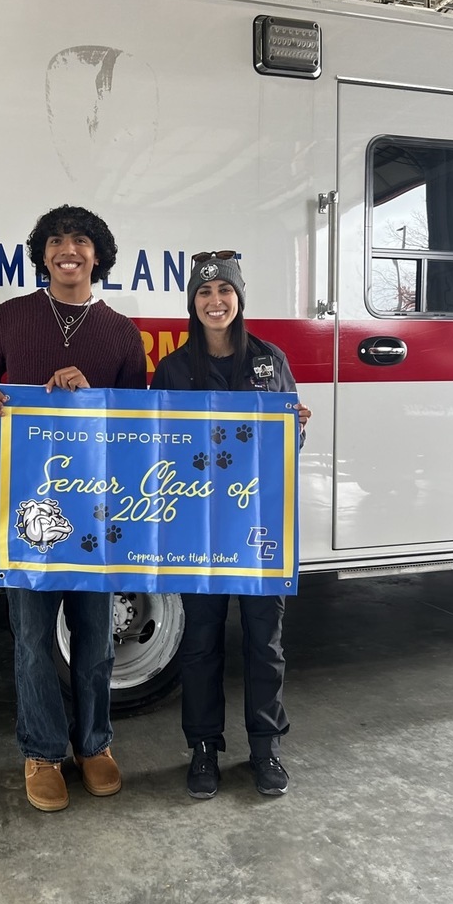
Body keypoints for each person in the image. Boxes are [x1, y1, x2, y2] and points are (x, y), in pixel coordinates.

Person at [0, 205, 147, 812]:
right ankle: (42, 752)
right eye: (58, 242)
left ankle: (94, 745)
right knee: (34, 639)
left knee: (94, 639)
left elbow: (140, 422)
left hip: (98, 509)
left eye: (82, 242)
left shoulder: (120, 331)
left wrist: (94, 399)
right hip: (26, 508)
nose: (70, 251)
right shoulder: (12, 316)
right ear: (43, 254)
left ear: (99, 256)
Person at [149, 251, 311, 800]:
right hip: (198, 527)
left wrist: (297, 427)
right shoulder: (172, 370)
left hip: (261, 523)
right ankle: (202, 748)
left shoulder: (269, 359)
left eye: (224, 291)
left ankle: (265, 746)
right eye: (203, 293)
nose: (214, 301)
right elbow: (158, 447)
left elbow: (291, 444)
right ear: (192, 304)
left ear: (239, 298)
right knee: (199, 642)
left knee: (264, 641)